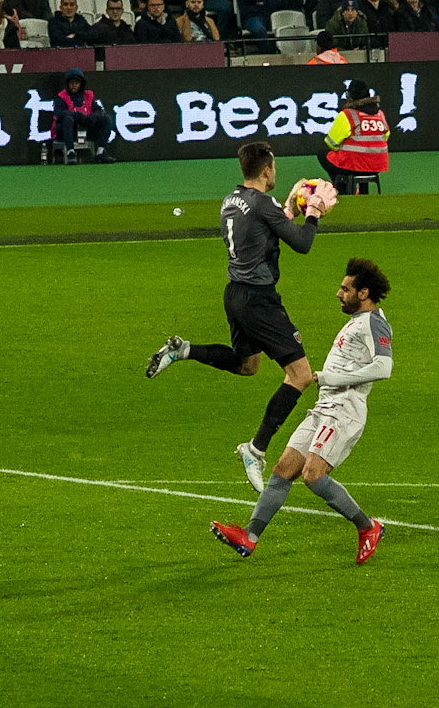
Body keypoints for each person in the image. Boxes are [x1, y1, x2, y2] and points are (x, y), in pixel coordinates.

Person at [143, 141, 336, 492]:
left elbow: (262, 234)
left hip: (234, 294)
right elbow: (303, 244)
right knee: (300, 376)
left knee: (247, 365)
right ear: (267, 169)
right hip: (259, 301)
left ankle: (183, 350)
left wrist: (288, 209)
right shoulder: (263, 204)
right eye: (274, 168)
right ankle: (256, 450)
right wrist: (313, 213)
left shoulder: (231, 201)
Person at [210, 258, 392, 565]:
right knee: (282, 470)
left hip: (344, 411)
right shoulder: (358, 321)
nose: (338, 293)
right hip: (325, 407)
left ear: (364, 293)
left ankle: (368, 527)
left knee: (313, 475)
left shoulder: (374, 323)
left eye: (346, 289)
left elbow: (384, 367)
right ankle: (249, 537)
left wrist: (330, 378)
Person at [319, 84, 389, 194]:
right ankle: (363, 192)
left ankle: (343, 190)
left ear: (350, 96)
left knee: (323, 154)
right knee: (363, 159)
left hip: (354, 166)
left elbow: (331, 142)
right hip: (377, 165)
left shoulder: (348, 114)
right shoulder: (380, 114)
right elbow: (386, 136)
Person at [51, 68, 113, 163]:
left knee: (106, 119)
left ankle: (100, 152)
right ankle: (70, 152)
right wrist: (78, 116)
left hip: (85, 129)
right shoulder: (61, 97)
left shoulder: (88, 96)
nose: (74, 85)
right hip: (67, 131)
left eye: (76, 83)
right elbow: (60, 113)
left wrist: (91, 118)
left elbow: (99, 111)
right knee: (68, 119)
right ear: (67, 84)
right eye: (71, 83)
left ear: (81, 84)